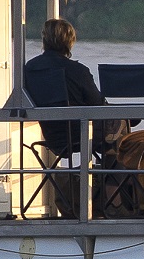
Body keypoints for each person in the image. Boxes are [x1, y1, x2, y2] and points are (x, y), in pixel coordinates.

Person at [19, 15, 108, 218]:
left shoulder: (29, 70)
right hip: (81, 134)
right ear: (70, 42)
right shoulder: (77, 71)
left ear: (44, 40)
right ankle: (111, 200)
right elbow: (98, 104)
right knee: (118, 137)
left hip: (52, 136)